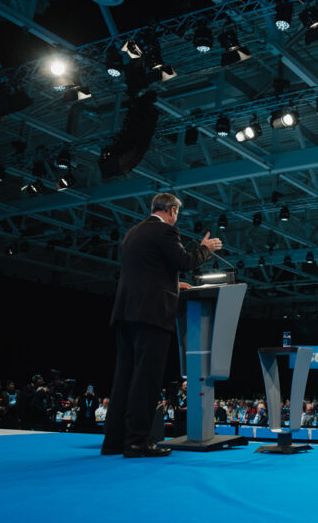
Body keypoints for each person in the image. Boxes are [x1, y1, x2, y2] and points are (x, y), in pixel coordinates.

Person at [102, 193, 220, 458]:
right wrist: (206, 249)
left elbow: (145, 271)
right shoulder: (166, 231)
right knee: (146, 380)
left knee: (124, 378)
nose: (176, 218)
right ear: (170, 210)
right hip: (152, 316)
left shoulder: (133, 233)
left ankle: (113, 442)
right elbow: (185, 261)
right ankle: (137, 443)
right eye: (176, 213)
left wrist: (171, 284)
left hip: (125, 313)